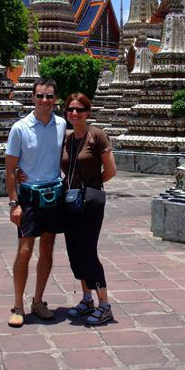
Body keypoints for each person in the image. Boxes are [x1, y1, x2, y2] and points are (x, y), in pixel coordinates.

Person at [5, 77, 66, 328]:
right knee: (25, 250)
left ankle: (38, 301)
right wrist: (13, 203)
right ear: (32, 98)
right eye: (40, 95)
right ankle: (18, 305)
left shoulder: (61, 124)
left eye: (49, 96)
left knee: (47, 249)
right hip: (29, 197)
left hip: (53, 194)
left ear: (55, 99)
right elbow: (10, 169)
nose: (44, 100)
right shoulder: (20, 128)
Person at [61, 92, 117, 325]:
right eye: (71, 109)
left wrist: (92, 186)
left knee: (88, 251)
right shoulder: (66, 139)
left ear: (88, 112)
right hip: (70, 200)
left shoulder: (97, 136)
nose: (75, 113)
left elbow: (111, 170)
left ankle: (104, 304)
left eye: (80, 110)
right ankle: (87, 299)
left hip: (90, 202)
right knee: (74, 251)